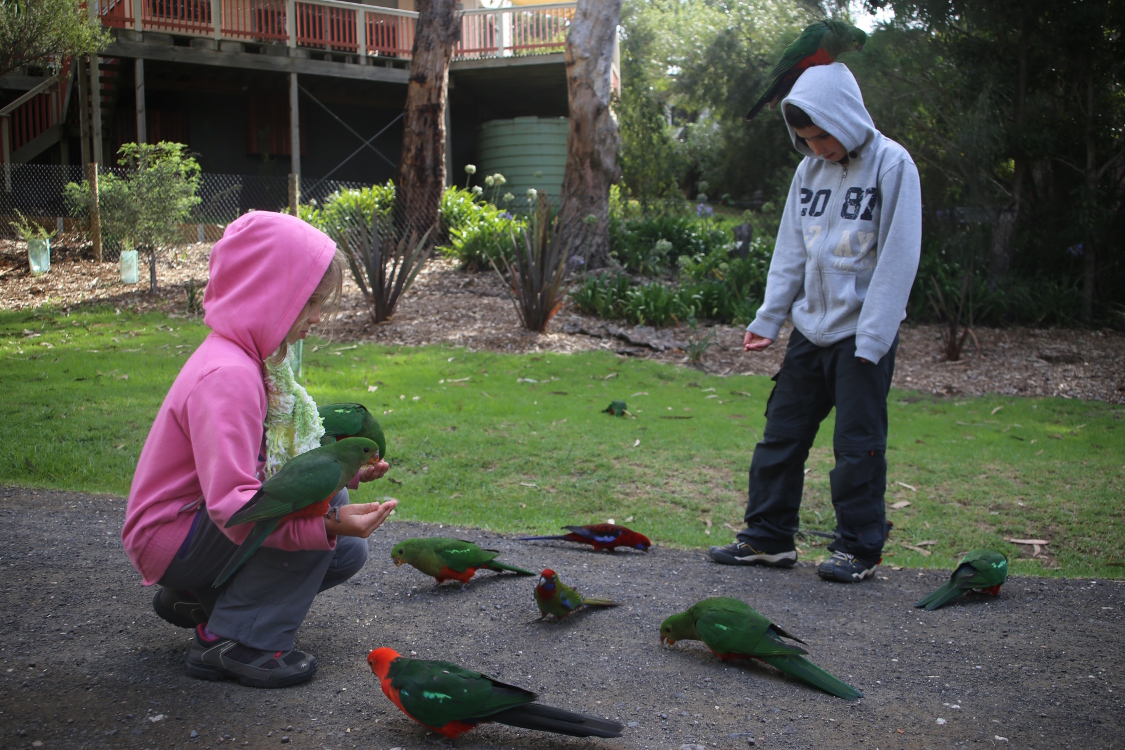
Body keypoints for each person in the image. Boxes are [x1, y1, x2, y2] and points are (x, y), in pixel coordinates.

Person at [122, 212, 396, 687]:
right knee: (321, 509)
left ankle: (200, 595)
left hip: (194, 527)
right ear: (267, 292)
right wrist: (324, 519)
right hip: (174, 534)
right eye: (309, 301)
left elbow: (273, 461)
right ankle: (237, 641)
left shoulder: (248, 358)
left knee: (344, 545)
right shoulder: (228, 376)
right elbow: (235, 508)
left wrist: (346, 473)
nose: (315, 317)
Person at [709, 62, 921, 583]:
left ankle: (859, 549)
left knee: (856, 448)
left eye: (823, 135)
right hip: (810, 331)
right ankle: (768, 539)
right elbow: (791, 251)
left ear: (846, 117)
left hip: (861, 337)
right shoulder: (808, 173)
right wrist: (770, 317)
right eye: (805, 138)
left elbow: (899, 258)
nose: (816, 147)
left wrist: (874, 336)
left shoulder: (893, 166)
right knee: (780, 437)